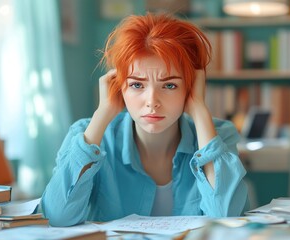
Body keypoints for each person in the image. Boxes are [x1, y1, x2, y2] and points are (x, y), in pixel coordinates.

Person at [41, 13, 249, 227]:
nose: (152, 102)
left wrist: (199, 108)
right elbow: (57, 217)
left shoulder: (219, 135)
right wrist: (103, 112)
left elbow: (227, 218)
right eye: (137, 85)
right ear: (119, 86)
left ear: (190, 87)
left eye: (169, 85)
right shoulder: (88, 134)